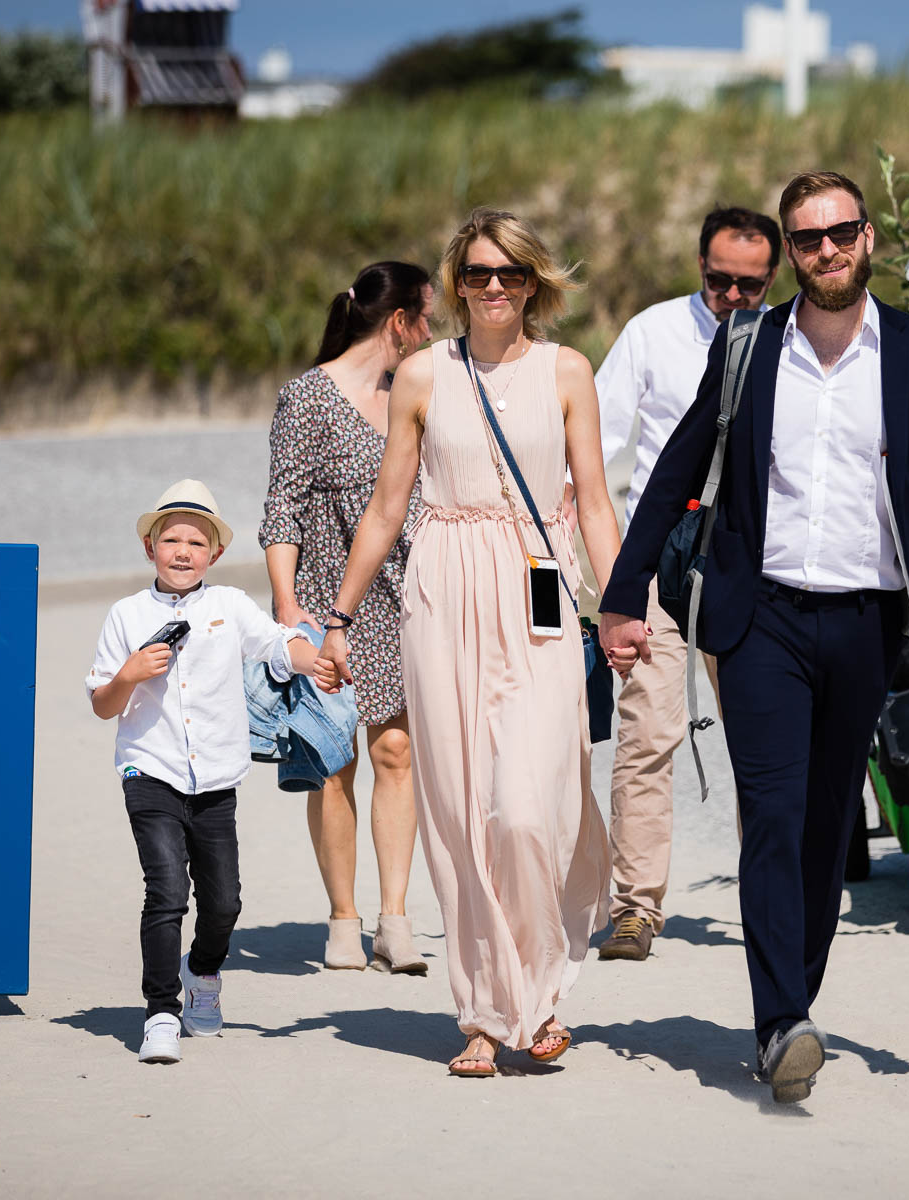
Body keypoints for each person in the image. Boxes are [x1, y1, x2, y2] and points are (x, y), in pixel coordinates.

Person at [598, 171, 909, 1103]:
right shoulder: (749, 344)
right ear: (790, 250)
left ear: (868, 240)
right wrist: (624, 597)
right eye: (808, 238)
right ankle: (782, 1018)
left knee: (828, 829)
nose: (826, 251)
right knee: (774, 815)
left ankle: (793, 1000)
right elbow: (674, 471)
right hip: (762, 617)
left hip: (866, 621)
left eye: (842, 233)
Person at [318, 208, 620, 1079]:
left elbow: (594, 502)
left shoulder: (566, 371)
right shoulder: (420, 376)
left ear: (534, 284)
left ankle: (539, 989)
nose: (495, 287)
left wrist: (625, 604)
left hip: (537, 589)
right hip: (442, 593)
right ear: (456, 285)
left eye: (511, 274)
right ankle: (487, 1014)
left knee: (527, 806)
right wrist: (337, 619)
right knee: (456, 814)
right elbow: (385, 509)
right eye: (479, 274)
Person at [87, 479, 339, 1064]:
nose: (182, 552)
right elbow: (102, 703)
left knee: (224, 903)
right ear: (150, 547)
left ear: (215, 554)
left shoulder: (228, 606)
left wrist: (316, 662)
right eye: (170, 539)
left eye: (195, 543)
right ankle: (160, 1013)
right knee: (167, 892)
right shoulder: (126, 615)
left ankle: (203, 974)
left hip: (216, 780)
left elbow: (279, 648)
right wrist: (130, 673)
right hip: (150, 772)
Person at [592, 205, 781, 963]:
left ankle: (773, 895)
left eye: (750, 287)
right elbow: (595, 439)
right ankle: (635, 907)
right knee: (645, 736)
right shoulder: (653, 332)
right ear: (699, 267)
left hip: (753, 566)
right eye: (718, 282)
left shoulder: (789, 340)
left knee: (764, 741)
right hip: (661, 563)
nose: (733, 299)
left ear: (774, 280)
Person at [260, 261, 435, 974]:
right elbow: (282, 508)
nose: (433, 332)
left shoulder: (416, 393)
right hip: (328, 597)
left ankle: (395, 920)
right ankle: (342, 919)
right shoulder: (307, 396)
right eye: (426, 317)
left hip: (408, 596)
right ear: (400, 322)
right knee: (334, 759)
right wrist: (289, 609)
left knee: (398, 752)